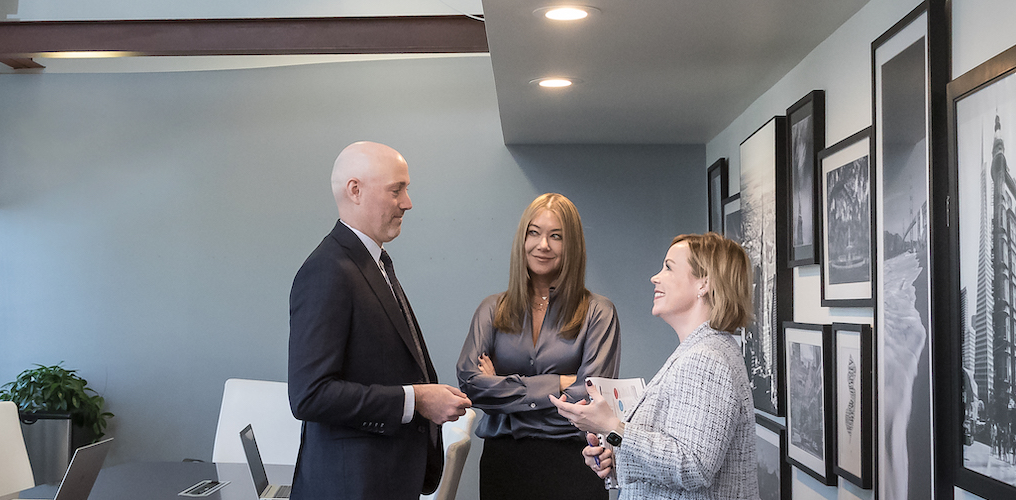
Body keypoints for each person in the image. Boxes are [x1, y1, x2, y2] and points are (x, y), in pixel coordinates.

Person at [288, 141, 472, 500]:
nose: (408, 202)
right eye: (396, 190)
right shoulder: (328, 271)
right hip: (352, 486)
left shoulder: (373, 262)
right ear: (355, 191)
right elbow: (309, 395)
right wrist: (415, 400)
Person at [550, 232, 758, 499]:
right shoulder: (700, 350)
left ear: (704, 283)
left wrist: (612, 427)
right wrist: (615, 459)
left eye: (669, 267)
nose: (655, 277)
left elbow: (692, 467)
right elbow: (676, 456)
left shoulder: (706, 358)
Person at [457, 193, 621, 500]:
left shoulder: (599, 312)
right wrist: (559, 383)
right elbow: (471, 386)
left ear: (572, 245)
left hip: (574, 463)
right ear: (523, 239)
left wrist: (501, 391)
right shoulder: (491, 309)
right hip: (503, 464)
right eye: (534, 233)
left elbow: (588, 397)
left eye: (555, 236)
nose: (542, 245)